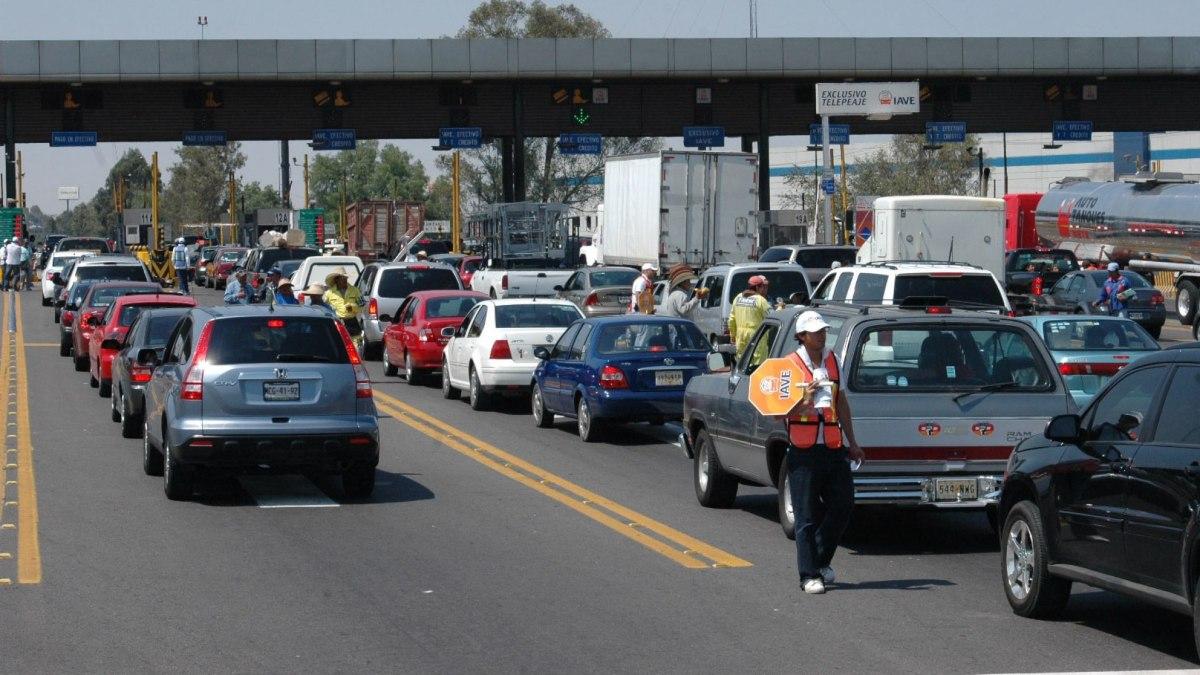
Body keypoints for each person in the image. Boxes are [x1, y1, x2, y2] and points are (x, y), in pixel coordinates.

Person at [784, 311, 864, 595]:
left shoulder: (833, 361)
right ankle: (809, 576)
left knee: (843, 504)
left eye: (823, 330)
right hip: (803, 451)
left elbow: (841, 404)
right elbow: (776, 412)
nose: (822, 335)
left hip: (832, 447)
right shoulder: (790, 366)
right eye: (816, 332)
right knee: (805, 517)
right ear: (802, 336)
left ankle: (819, 560)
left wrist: (852, 443)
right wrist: (801, 402)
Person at [728, 274, 771, 361]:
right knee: (757, 365)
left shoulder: (738, 298)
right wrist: (780, 308)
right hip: (757, 337)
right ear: (758, 287)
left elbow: (731, 320)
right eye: (762, 287)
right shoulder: (760, 300)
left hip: (740, 337)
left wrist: (733, 335)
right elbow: (772, 316)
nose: (764, 289)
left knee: (742, 362)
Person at [325, 267, 364, 342]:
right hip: (337, 322)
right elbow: (323, 307)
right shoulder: (329, 293)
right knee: (339, 344)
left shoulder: (355, 290)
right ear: (336, 280)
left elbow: (362, 304)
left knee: (355, 345)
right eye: (342, 278)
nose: (345, 280)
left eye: (346, 278)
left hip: (352, 322)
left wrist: (353, 307)